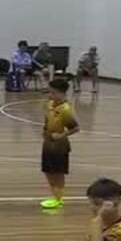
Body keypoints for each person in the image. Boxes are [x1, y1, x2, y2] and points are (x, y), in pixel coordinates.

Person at [41, 78, 80, 210]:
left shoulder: (66, 109)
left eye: (52, 93)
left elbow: (75, 128)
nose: (49, 95)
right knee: (48, 171)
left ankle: (59, 199)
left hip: (59, 145)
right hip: (47, 143)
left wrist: (61, 135)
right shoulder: (50, 104)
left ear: (60, 93)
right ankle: (54, 195)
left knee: (58, 172)